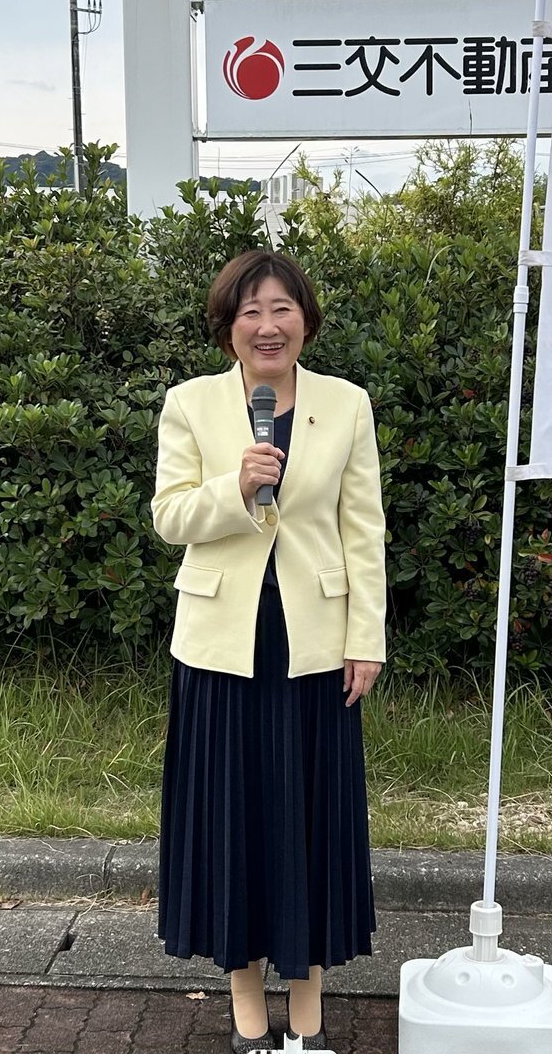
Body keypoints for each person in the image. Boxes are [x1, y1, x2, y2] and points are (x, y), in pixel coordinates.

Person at [151, 248, 387, 1052]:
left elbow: (363, 530)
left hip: (314, 645)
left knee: (307, 822)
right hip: (221, 646)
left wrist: (366, 638)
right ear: (228, 327)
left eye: (281, 308)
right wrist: (235, 487)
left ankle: (308, 1013)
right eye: (249, 311)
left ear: (305, 321)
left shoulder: (346, 405)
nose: (266, 325)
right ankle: (248, 1008)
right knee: (235, 823)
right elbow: (170, 516)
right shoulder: (190, 404)